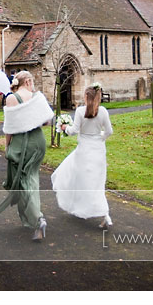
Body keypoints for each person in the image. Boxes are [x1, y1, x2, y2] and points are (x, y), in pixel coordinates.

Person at [0, 70, 54, 241]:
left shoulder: (11, 98)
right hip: (38, 141)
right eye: (32, 81)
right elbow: (47, 122)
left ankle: (37, 218)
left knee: (25, 180)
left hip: (21, 142)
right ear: (28, 82)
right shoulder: (37, 97)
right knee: (31, 177)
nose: (33, 85)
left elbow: (9, 127)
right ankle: (28, 218)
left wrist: (7, 145)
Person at [51, 83, 114, 228]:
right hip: (98, 151)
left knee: (77, 179)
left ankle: (91, 208)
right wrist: (100, 138)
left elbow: (73, 131)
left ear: (86, 97)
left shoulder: (80, 111)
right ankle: (103, 214)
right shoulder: (103, 111)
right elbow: (109, 131)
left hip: (84, 151)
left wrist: (65, 127)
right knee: (97, 184)